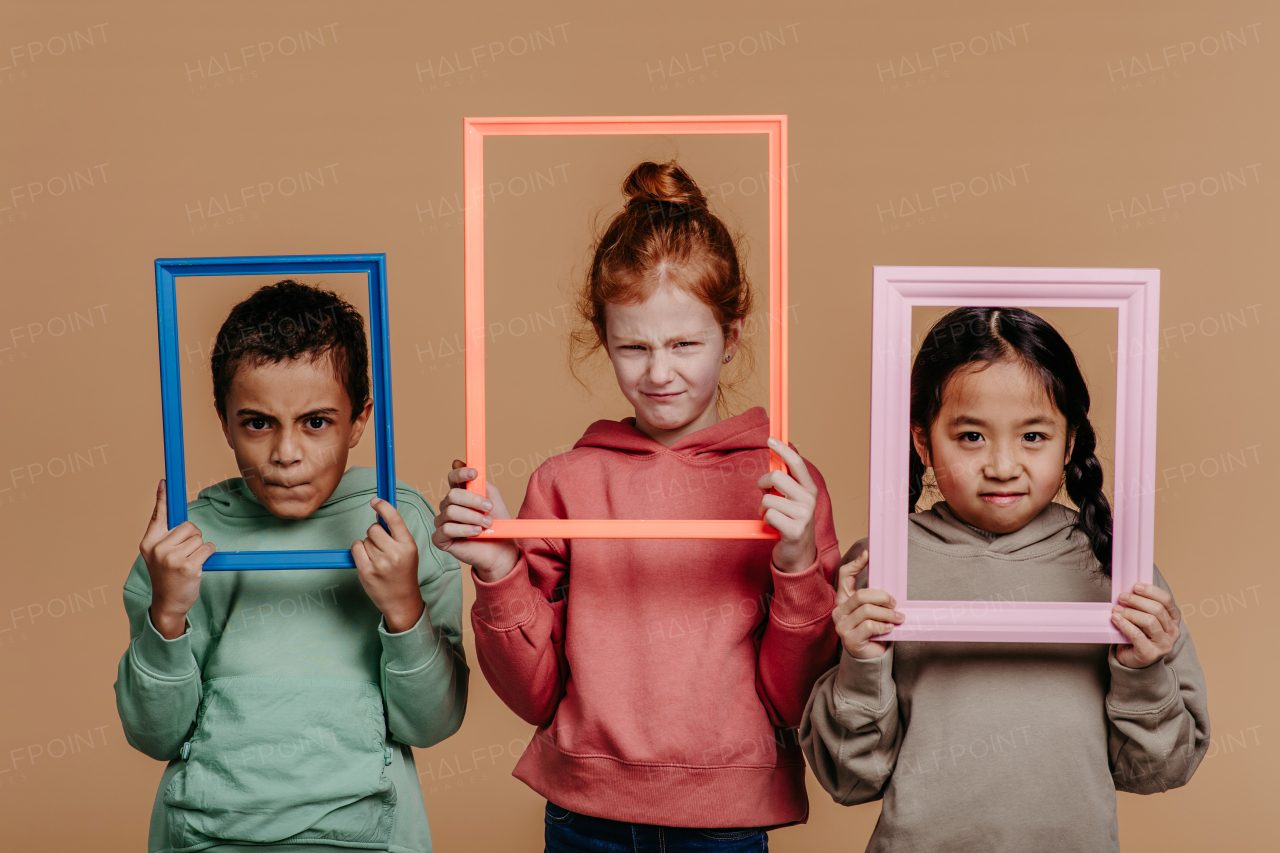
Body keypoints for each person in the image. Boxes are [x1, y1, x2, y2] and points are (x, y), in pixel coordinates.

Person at [433, 161, 841, 851]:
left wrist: (798, 562)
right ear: (603, 338)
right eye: (633, 346)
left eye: (685, 343)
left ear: (733, 334)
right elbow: (533, 694)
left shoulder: (782, 485)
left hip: (725, 820)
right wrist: (499, 568)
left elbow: (793, 697)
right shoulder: (565, 483)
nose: (658, 372)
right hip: (585, 816)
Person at [801, 306, 1210, 852]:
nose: (1002, 464)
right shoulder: (881, 568)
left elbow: (1160, 770)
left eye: (1034, 436)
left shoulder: (1118, 570)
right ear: (923, 442)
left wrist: (1141, 670)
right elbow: (850, 780)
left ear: (1069, 443)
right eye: (971, 436)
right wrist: (862, 663)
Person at [114, 280, 467, 853]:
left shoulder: (402, 528)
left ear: (359, 421)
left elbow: (432, 724)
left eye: (317, 422)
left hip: (366, 834)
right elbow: (155, 735)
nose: (286, 453)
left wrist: (404, 608)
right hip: (208, 834)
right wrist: (167, 614)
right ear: (224, 422)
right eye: (257, 423)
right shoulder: (185, 540)